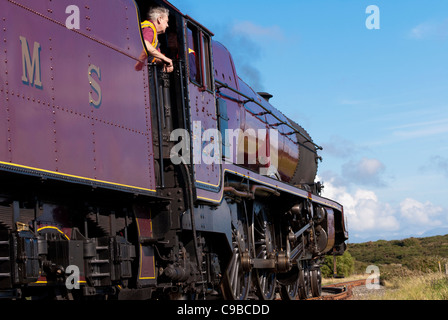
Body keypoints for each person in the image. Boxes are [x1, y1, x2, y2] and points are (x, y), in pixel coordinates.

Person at [135, 7, 174, 72]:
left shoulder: (155, 36)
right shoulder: (149, 28)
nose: (167, 25)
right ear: (160, 19)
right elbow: (145, 44)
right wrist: (165, 58)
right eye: (166, 21)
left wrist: (164, 63)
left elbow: (155, 57)